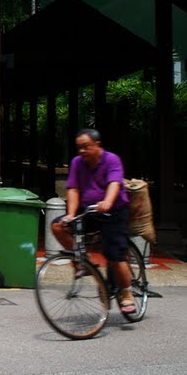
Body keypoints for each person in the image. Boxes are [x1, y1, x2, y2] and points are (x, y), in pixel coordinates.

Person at [51, 128, 135, 314]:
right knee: (58, 226)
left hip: (113, 212)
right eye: (79, 147)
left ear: (97, 145)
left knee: (115, 255)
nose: (82, 151)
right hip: (88, 211)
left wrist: (107, 202)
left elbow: (114, 183)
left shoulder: (111, 160)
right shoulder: (77, 163)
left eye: (86, 147)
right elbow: (73, 188)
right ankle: (84, 261)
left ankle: (127, 293)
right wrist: (70, 214)